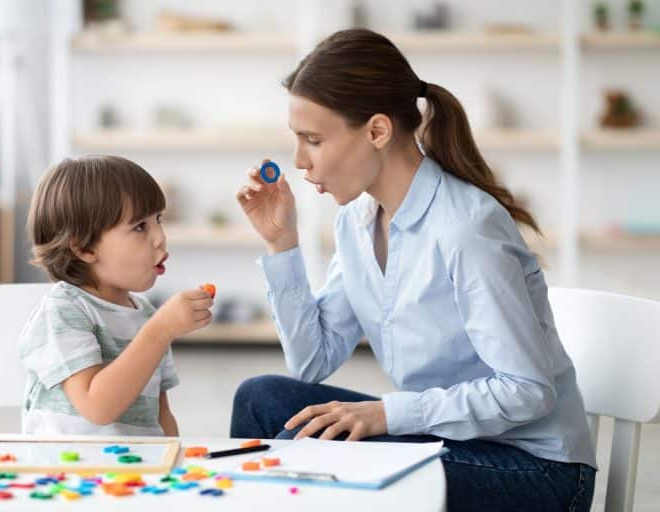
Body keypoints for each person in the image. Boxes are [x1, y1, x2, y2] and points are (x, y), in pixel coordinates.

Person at [231, 29, 596, 511]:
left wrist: (387, 414)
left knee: (311, 450)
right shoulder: (357, 223)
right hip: (452, 441)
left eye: (313, 140)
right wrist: (282, 244)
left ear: (378, 131)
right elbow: (312, 362)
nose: (299, 161)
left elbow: (527, 393)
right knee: (260, 399)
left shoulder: (467, 228)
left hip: (537, 470)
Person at [18, 155, 214, 435]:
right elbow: (97, 407)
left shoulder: (146, 314)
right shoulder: (63, 310)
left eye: (158, 219)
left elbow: (161, 415)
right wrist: (160, 331)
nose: (160, 237)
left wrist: (176, 465)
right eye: (139, 227)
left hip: (134, 473)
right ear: (84, 248)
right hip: (66, 473)